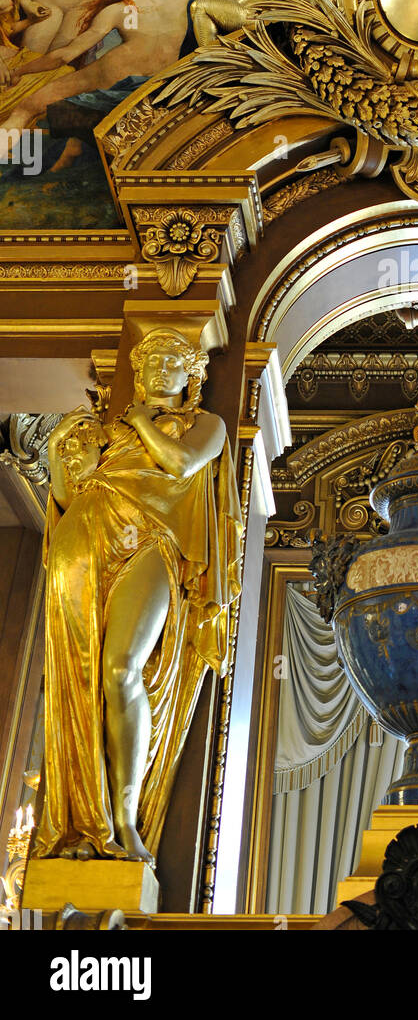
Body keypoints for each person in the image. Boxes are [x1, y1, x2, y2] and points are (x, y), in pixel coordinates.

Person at [33, 328, 242, 865]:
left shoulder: (207, 426)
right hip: (85, 532)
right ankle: (85, 819)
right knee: (78, 672)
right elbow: (66, 497)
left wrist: (145, 422)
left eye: (170, 360)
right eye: (147, 362)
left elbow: (180, 466)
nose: (155, 370)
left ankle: (123, 818)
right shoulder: (107, 432)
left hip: (153, 540)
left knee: (122, 670)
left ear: (192, 374)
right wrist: (60, 458)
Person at [4, 0, 188, 135]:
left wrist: (19, 71)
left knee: (26, 108)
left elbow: (65, 56)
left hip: (116, 71)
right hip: (162, 75)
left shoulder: (114, 10)